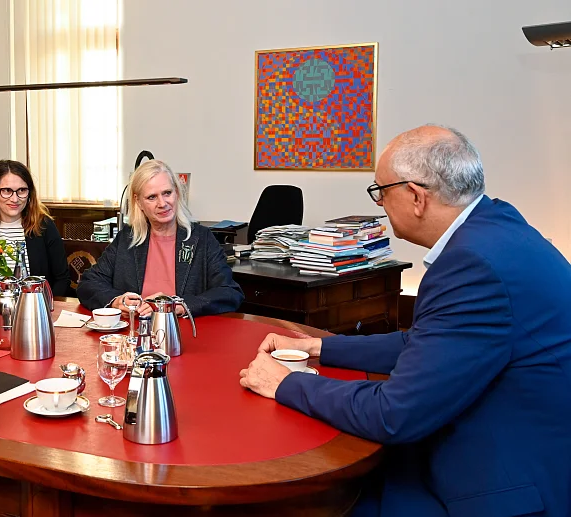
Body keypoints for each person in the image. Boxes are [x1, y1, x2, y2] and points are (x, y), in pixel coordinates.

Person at [240, 125, 571, 517]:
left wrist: (285, 383)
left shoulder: (471, 265)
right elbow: (425, 342)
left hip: (498, 484)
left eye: (380, 191)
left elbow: (393, 414)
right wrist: (317, 346)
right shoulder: (496, 225)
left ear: (416, 196)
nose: (379, 204)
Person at [77, 159, 243, 317]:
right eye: (152, 197)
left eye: (167, 193)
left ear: (177, 193)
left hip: (181, 334)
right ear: (139, 202)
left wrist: (178, 305)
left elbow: (229, 292)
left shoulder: (202, 239)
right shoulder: (127, 238)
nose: (162, 203)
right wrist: (117, 301)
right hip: (134, 335)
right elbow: (88, 284)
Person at [0, 159, 70, 296]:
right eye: (6, 191)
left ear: (30, 193)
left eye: (22, 190)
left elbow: (62, 280)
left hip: (32, 309)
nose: (15, 199)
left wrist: (44, 308)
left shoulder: (44, 226)